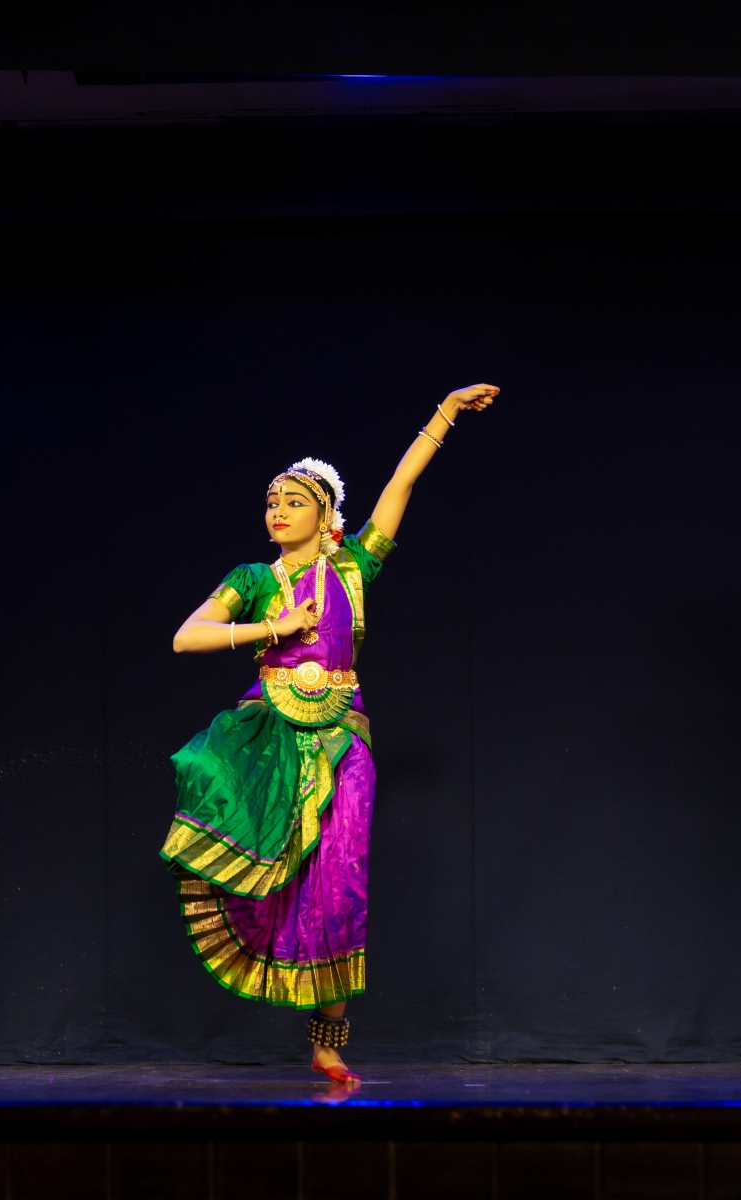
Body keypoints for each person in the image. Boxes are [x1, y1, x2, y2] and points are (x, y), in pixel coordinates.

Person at [162, 383, 500, 1084]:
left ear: (326, 515)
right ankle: (277, 974)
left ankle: (328, 1042)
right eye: (271, 501)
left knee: (340, 884)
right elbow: (185, 637)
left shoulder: (353, 567)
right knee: (271, 878)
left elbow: (401, 485)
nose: (277, 510)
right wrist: (273, 627)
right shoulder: (253, 578)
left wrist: (443, 413)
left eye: (294, 501)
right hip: (272, 739)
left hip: (344, 741)